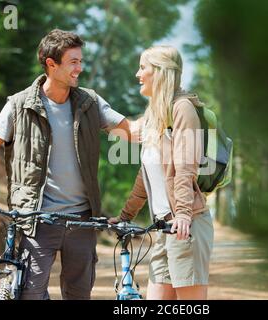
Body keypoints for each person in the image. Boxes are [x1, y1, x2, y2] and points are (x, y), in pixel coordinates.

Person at [0, 29, 137, 300]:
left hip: (82, 222)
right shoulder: (19, 105)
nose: (80, 68)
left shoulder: (90, 103)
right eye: (73, 62)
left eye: (81, 61)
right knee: (29, 294)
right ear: (51, 63)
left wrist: (171, 120)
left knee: (79, 294)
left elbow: (131, 132)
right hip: (37, 220)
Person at [109, 46, 214, 300]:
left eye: (143, 67)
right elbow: (145, 178)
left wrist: (184, 215)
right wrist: (125, 216)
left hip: (185, 226)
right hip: (163, 229)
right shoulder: (154, 115)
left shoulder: (183, 109)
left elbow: (185, 167)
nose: (138, 74)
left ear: (160, 72)